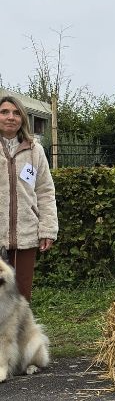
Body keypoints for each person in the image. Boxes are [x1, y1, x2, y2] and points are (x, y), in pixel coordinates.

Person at [0, 95, 59, 301]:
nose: (10, 117)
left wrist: (48, 229)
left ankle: (19, 333)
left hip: (26, 235)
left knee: (21, 296)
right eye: (4, 112)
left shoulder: (35, 151)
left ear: (23, 119)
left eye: (16, 113)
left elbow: (45, 191)